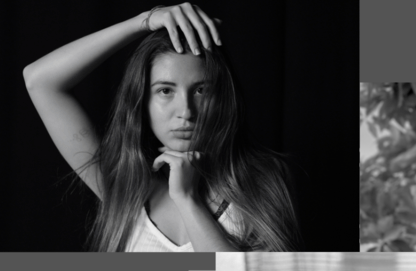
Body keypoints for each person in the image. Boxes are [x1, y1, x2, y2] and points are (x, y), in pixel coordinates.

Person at [23, 4, 301, 252]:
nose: (186, 112)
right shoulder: (124, 187)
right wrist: (144, 20)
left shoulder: (264, 181)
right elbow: (40, 80)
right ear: (141, 101)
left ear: (223, 98)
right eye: (166, 90)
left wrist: (187, 198)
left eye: (201, 90)